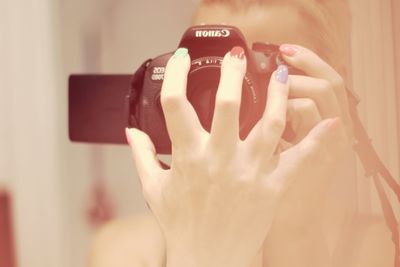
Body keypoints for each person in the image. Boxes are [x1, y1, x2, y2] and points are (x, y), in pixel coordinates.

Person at [89, 0, 396, 266]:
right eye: (211, 73)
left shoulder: (383, 251)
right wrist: (199, 249)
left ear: (335, 83)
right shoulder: (126, 251)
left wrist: (296, 227)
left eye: (265, 68)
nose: (228, 101)